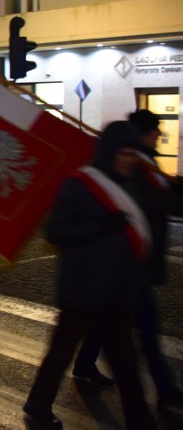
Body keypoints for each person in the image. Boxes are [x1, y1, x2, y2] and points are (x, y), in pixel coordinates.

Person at [23, 121, 156, 429]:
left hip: (117, 292)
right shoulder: (79, 183)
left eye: (132, 153)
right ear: (110, 152)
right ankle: (38, 404)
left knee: (126, 364)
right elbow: (56, 231)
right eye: (123, 153)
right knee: (60, 355)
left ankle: (140, 420)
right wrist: (100, 226)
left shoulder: (131, 184)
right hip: (83, 290)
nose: (128, 159)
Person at [71, 109, 183, 405]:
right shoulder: (137, 165)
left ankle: (83, 365)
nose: (160, 134)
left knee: (108, 321)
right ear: (144, 132)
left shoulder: (141, 162)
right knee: (145, 329)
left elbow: (161, 192)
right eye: (156, 129)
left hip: (130, 260)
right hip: (132, 261)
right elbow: (158, 200)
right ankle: (163, 389)